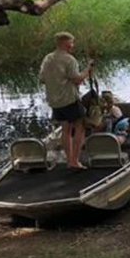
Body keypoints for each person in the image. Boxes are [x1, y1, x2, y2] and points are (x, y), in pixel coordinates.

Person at [39, 32, 93, 170]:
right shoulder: (69, 59)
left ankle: (69, 160)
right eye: (71, 43)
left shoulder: (47, 58)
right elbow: (77, 79)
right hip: (69, 99)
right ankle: (74, 161)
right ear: (65, 43)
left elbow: (42, 79)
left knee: (66, 129)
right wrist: (88, 69)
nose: (72, 46)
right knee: (80, 126)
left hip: (54, 101)